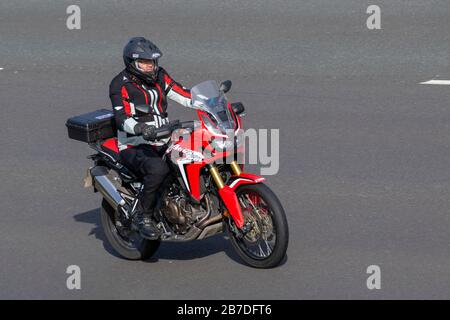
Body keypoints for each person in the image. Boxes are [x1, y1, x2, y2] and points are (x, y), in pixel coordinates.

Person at [109, 37, 193, 239]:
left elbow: (183, 94)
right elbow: (121, 118)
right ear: (132, 63)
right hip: (134, 143)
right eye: (144, 63)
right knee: (159, 169)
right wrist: (140, 128)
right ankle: (143, 216)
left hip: (164, 137)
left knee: (196, 154)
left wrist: (212, 101)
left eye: (152, 62)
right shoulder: (120, 84)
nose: (150, 67)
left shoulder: (160, 75)